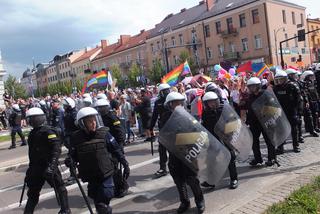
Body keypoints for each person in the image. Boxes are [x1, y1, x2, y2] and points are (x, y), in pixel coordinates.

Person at [70, 107, 130, 214]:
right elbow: (74, 155)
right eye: (89, 121)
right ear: (82, 123)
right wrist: (70, 161)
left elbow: (116, 149)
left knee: (102, 204)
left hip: (106, 174)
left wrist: (125, 164)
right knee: (98, 202)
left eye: (94, 120)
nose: (93, 123)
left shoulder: (104, 133)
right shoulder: (76, 138)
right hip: (91, 176)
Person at [161, 92, 205, 214]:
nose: (179, 105)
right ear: (170, 104)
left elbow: (196, 132)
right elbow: (163, 134)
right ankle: (185, 202)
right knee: (178, 179)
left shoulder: (187, 115)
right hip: (174, 153)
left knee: (192, 179)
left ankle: (199, 200)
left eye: (181, 102)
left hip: (188, 152)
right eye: (176, 103)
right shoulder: (165, 117)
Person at [24, 107, 70, 214]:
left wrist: (52, 166)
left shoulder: (48, 131)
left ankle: (65, 210)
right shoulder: (32, 134)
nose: (29, 121)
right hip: (36, 168)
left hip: (48, 166)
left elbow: (56, 149)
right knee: (33, 193)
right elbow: (32, 154)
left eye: (31, 119)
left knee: (60, 188)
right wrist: (30, 170)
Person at [201, 91, 238, 189]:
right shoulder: (205, 113)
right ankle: (211, 181)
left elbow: (233, 121)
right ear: (206, 104)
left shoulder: (223, 109)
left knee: (230, 157)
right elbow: (204, 126)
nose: (213, 104)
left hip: (225, 137)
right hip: (213, 139)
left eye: (214, 101)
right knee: (211, 160)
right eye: (210, 102)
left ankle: (234, 179)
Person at [94, 98, 129, 198]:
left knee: (114, 168)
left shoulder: (112, 116)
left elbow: (120, 131)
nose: (99, 110)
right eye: (98, 108)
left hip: (114, 144)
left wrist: (120, 144)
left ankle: (123, 186)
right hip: (105, 145)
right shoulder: (99, 118)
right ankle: (114, 187)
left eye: (101, 108)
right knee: (109, 168)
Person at [243, 77, 277, 166]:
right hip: (254, 123)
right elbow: (249, 110)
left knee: (269, 140)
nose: (251, 88)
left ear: (258, 86)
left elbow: (273, 107)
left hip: (265, 121)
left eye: (253, 86)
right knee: (254, 141)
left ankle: (272, 158)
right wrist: (247, 121)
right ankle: (258, 159)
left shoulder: (265, 94)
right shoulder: (250, 96)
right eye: (250, 87)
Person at [273, 70, 301, 153]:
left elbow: (298, 99)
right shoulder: (276, 88)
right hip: (281, 112)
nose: (279, 81)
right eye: (277, 79)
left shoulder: (292, 86)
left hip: (291, 111)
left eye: (281, 79)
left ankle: (296, 146)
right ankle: (280, 148)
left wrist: (298, 110)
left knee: (294, 129)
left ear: (285, 78)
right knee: (281, 130)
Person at [150, 83, 171, 178]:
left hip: (174, 127)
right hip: (163, 128)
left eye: (168, 90)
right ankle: (163, 168)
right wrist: (150, 127)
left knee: (175, 149)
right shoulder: (158, 102)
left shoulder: (173, 99)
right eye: (165, 91)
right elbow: (154, 115)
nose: (167, 92)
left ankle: (177, 166)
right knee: (162, 149)